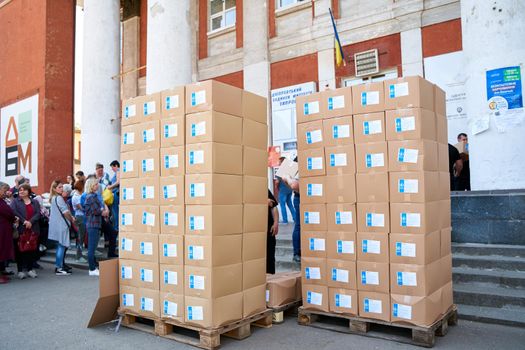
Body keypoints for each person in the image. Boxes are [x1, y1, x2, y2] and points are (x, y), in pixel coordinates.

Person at [10, 184, 41, 279]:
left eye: (23, 190)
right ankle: (20, 271)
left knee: (32, 249)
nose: (21, 192)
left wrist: (30, 222)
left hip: (33, 228)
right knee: (20, 250)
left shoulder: (34, 201)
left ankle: (30, 269)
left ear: (28, 191)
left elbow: (38, 213)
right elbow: (14, 212)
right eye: (20, 190)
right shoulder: (15, 201)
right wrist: (25, 221)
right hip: (21, 229)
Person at [48, 180, 75, 276]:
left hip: (58, 226)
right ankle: (59, 268)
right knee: (61, 247)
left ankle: (60, 266)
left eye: (62, 187)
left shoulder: (53, 198)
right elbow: (65, 212)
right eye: (59, 187)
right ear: (54, 188)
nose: (61, 188)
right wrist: (71, 219)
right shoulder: (58, 198)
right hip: (62, 226)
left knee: (61, 246)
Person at [84, 177, 103, 276]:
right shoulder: (91, 197)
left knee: (92, 247)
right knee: (91, 248)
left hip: (94, 224)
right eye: (95, 184)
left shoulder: (92, 196)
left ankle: (93, 267)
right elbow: (96, 211)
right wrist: (103, 210)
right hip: (93, 224)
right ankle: (92, 269)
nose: (97, 185)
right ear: (91, 186)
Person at [0, 182, 17, 284]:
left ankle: (2, 272)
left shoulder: (2, 200)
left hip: (4, 230)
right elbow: (8, 212)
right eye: (4, 190)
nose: (6, 192)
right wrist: (14, 217)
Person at [277, 157, 296, 224]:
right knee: (290, 204)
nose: (278, 163)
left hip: (282, 190)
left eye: (279, 161)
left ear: (282, 162)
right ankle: (295, 219)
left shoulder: (280, 170)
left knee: (282, 205)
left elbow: (277, 182)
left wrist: (277, 188)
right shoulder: (289, 169)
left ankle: (285, 221)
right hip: (289, 190)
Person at [71, 180, 87, 263]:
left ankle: (80, 255)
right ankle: (78, 256)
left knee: (82, 237)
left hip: (83, 217)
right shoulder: (76, 197)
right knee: (80, 238)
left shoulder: (80, 195)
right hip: (80, 217)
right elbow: (82, 208)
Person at [267, 189, 279, 274]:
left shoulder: (263, 188)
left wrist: (275, 223)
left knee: (270, 258)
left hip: (269, 229)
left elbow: (274, 206)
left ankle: (271, 283)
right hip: (252, 233)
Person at [107, 160, 120, 232]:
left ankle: (116, 227)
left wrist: (110, 187)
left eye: (112, 167)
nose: (112, 169)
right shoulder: (117, 171)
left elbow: (118, 182)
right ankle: (116, 226)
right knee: (114, 211)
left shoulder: (118, 171)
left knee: (115, 211)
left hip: (116, 193)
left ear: (116, 166)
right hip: (115, 193)